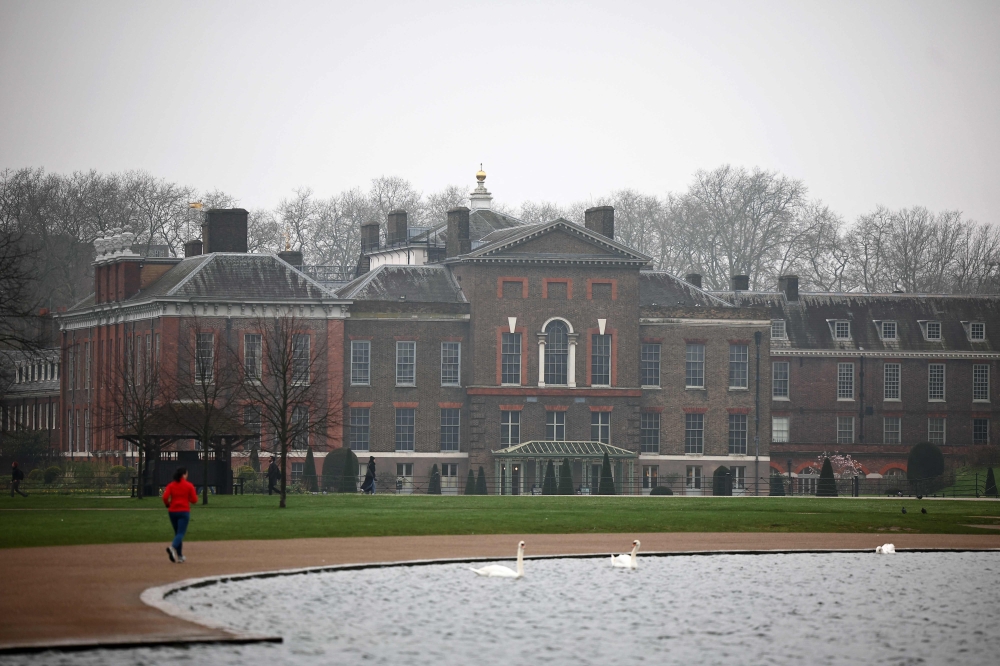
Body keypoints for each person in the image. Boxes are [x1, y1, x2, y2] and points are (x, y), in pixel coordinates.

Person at [162, 467, 197, 563]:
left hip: (172, 511)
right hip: (184, 511)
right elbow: (194, 500)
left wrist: (167, 504)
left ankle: (180, 556)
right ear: (184, 474)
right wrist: (187, 499)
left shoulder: (171, 485)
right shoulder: (189, 485)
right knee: (181, 533)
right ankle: (172, 547)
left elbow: (165, 497)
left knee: (178, 533)